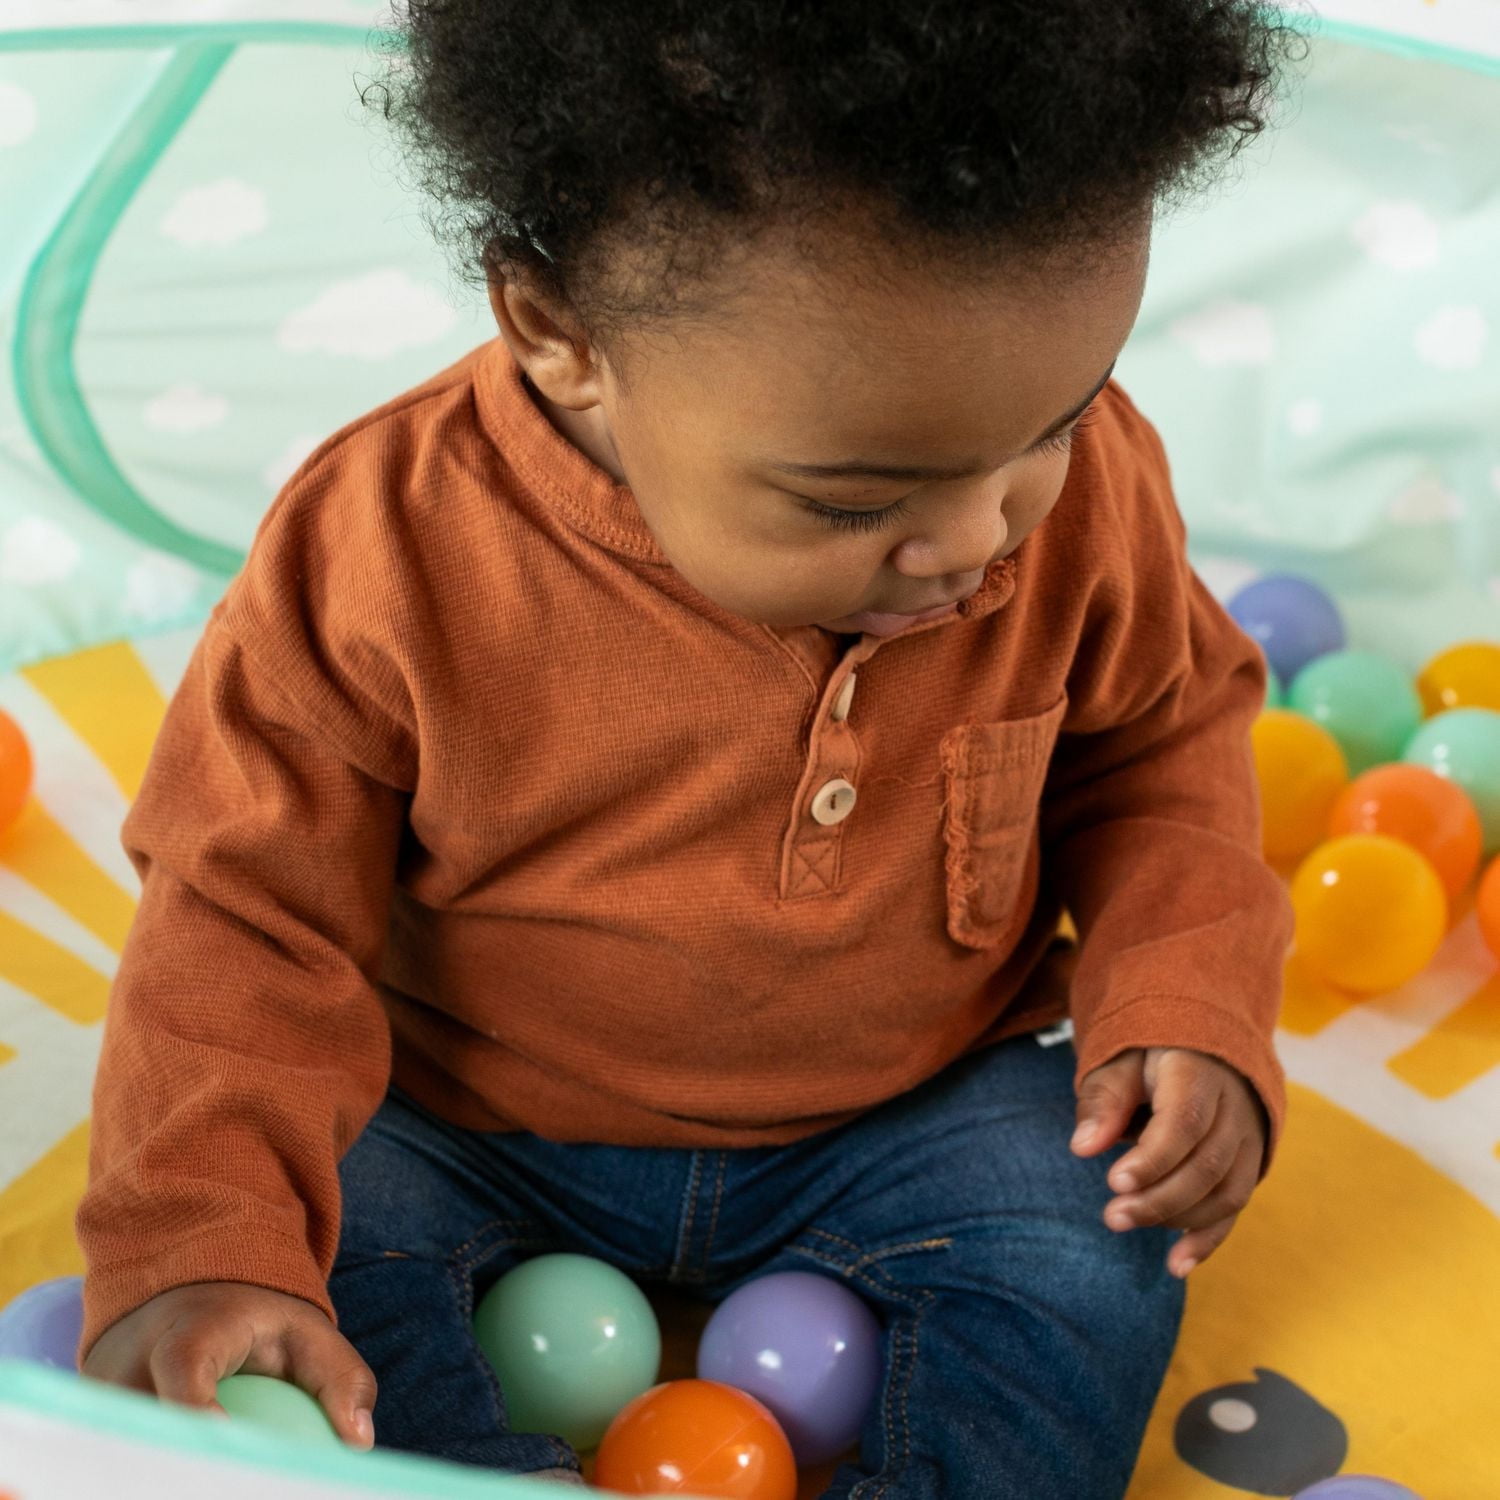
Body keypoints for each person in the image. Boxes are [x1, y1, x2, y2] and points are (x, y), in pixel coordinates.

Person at [74, 2, 1305, 1495]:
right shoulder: (379, 549)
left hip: (910, 1113)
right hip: (460, 1114)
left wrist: (1182, 997)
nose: (983, 540)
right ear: (559, 337)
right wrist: (209, 1244)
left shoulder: (1082, 490)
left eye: (1060, 416)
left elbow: (1158, 745)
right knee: (288, 1271)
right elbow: (242, 915)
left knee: (1098, 1224)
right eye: (857, 500)